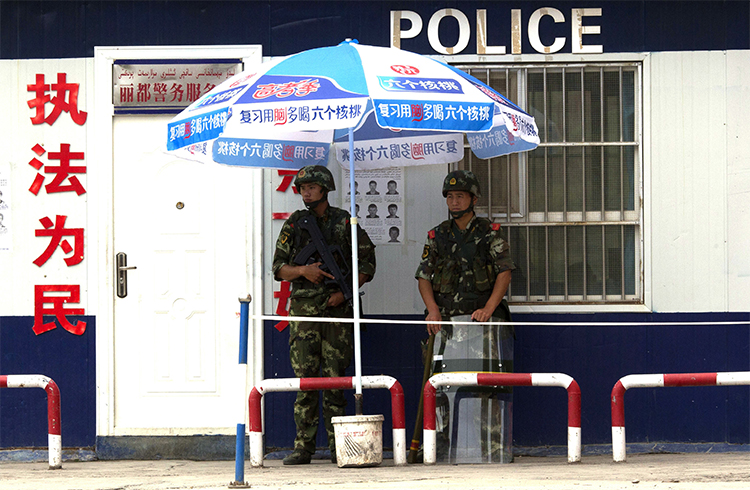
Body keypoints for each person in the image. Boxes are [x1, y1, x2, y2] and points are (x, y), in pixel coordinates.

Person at [272, 165, 376, 465]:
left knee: (335, 380)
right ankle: (303, 447)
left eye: (311, 187)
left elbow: (367, 263)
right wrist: (304, 270)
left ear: (324, 189)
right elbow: (279, 268)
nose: (305, 191)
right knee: (305, 381)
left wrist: (344, 293)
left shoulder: (345, 222)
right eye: (302, 187)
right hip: (304, 310)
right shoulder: (295, 223)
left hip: (336, 310)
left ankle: (337, 447)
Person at [414, 169, 515, 462]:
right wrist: (432, 310)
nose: (454, 201)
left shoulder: (489, 233)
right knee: (440, 387)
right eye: (450, 196)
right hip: (445, 325)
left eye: (460, 196)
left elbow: (504, 272)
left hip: (481, 325)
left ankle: (493, 447)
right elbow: (424, 277)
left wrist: (490, 309)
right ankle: (439, 448)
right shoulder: (437, 236)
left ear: (473, 199)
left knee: (488, 385)